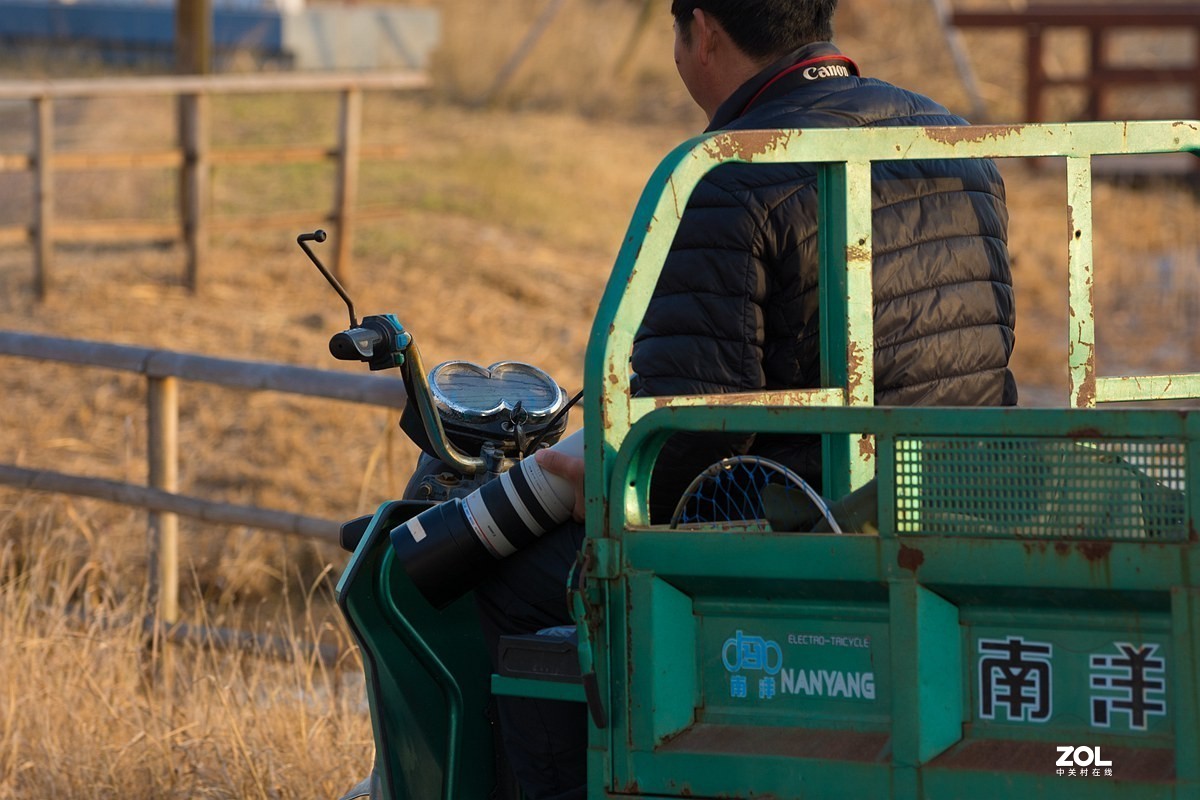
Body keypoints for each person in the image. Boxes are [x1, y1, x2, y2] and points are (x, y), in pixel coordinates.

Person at [475, 1, 1016, 797]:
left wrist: (576, 472)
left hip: (808, 523)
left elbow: (675, 441)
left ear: (703, 30)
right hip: (957, 493)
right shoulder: (958, 140)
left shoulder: (730, 168)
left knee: (515, 584)